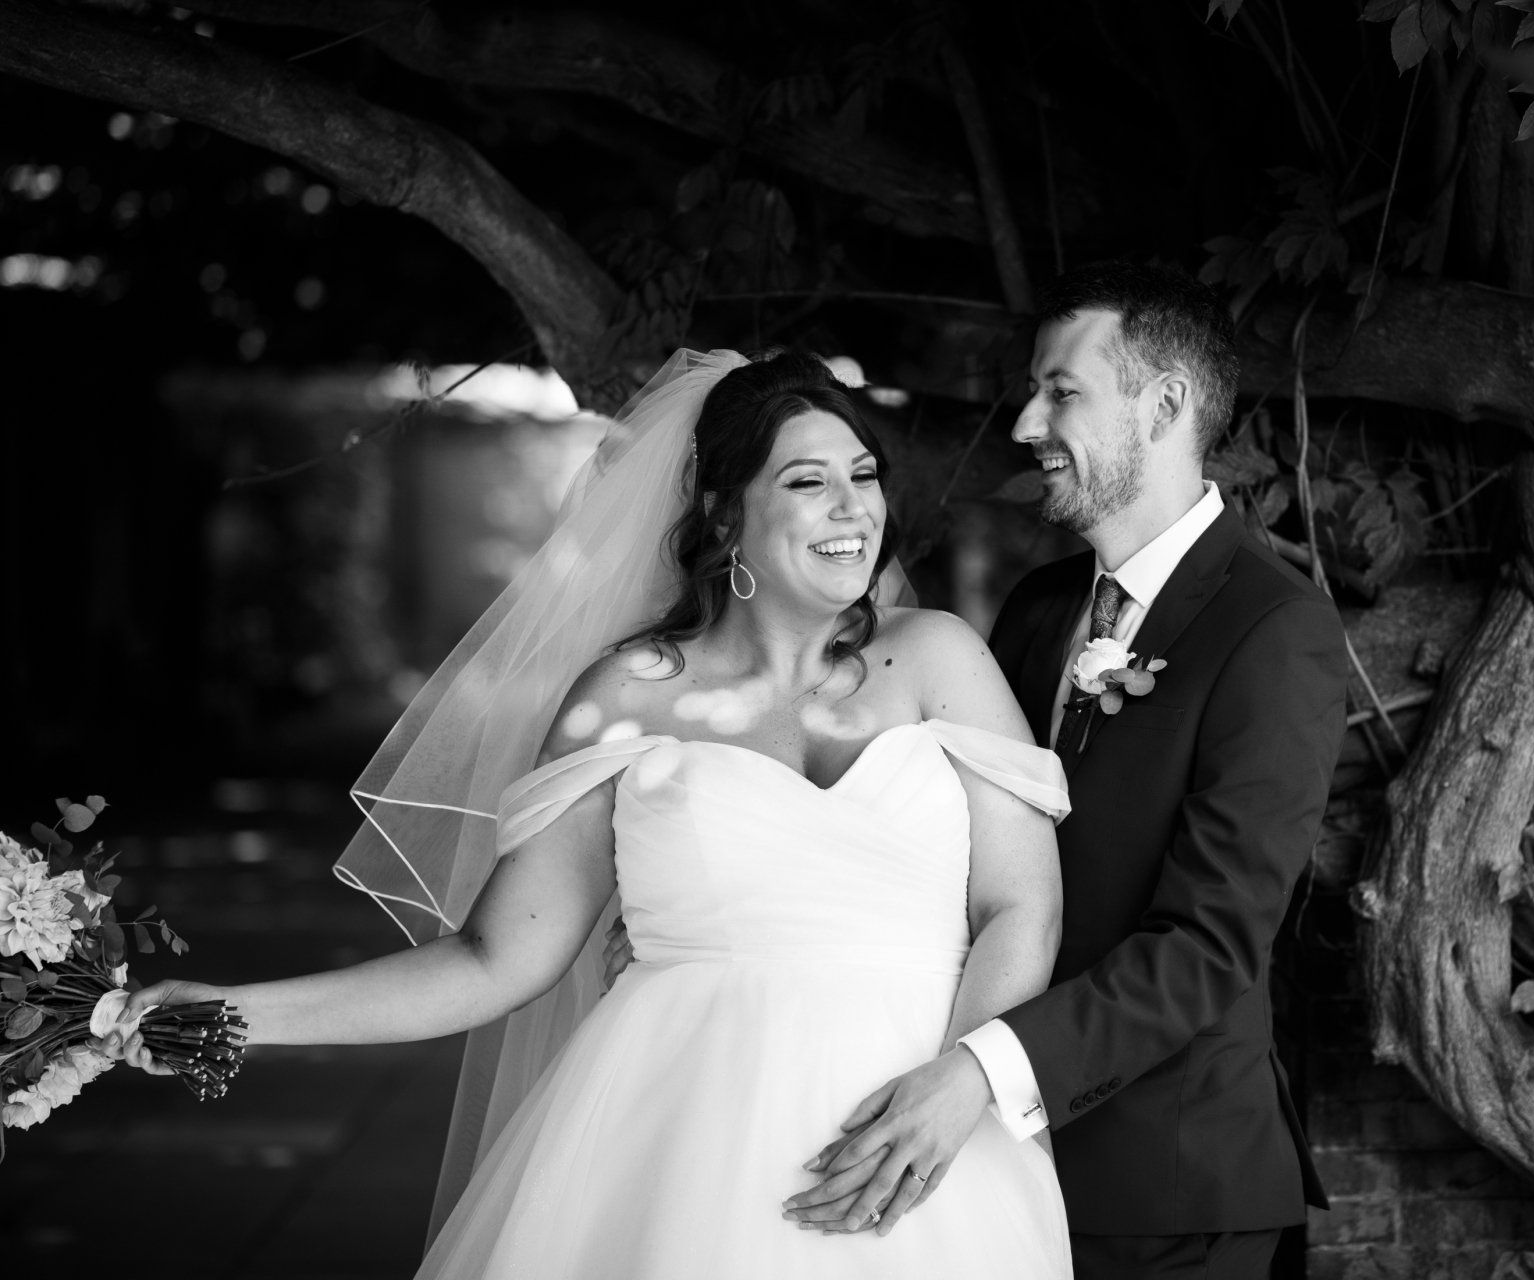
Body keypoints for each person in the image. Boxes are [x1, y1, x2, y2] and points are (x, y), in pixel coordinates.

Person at [100, 349, 1075, 1278]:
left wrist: (964, 1082)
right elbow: (493, 958)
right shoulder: (626, 697)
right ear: (724, 513)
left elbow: (1020, 905)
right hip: (686, 1142)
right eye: (806, 481)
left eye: (862, 475)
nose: (853, 507)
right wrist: (236, 1011)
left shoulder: (940, 656)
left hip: (936, 1129)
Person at [779, 264, 1346, 1280]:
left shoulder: (1274, 626)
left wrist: (978, 1073)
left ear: (1164, 404)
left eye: (1062, 391)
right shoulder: (1041, 608)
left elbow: (1209, 944)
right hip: (981, 1173)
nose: (1026, 423)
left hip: (1166, 1192)